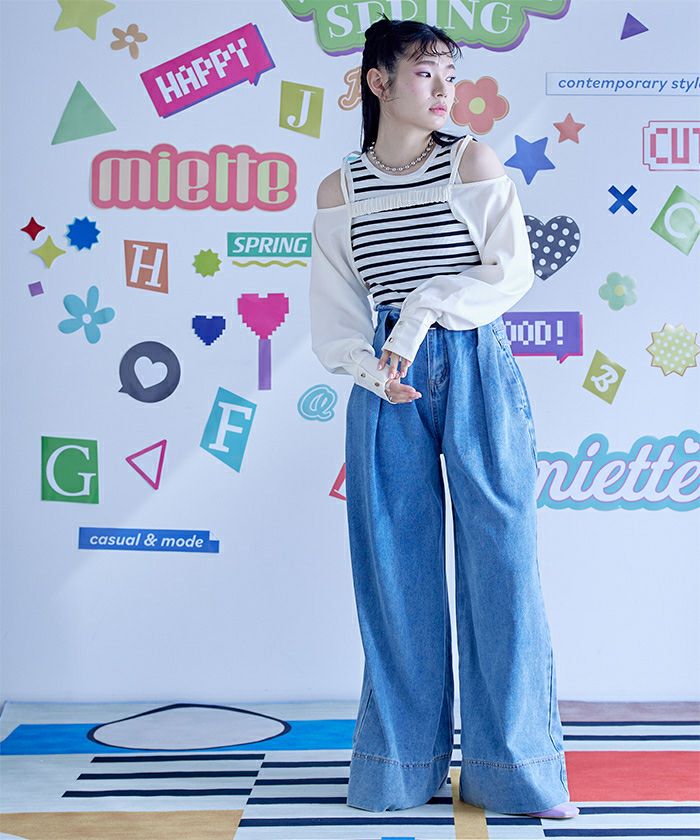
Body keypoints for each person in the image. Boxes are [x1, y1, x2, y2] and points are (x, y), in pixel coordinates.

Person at [309, 14, 580, 820]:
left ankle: (516, 771)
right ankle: (401, 767)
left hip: (472, 361)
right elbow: (334, 314)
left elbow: (508, 272)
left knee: (502, 562)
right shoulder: (340, 189)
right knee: (394, 569)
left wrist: (421, 314)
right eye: (426, 73)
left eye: (450, 76)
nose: (443, 90)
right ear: (378, 81)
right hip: (383, 380)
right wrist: (372, 367)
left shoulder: (471, 160)